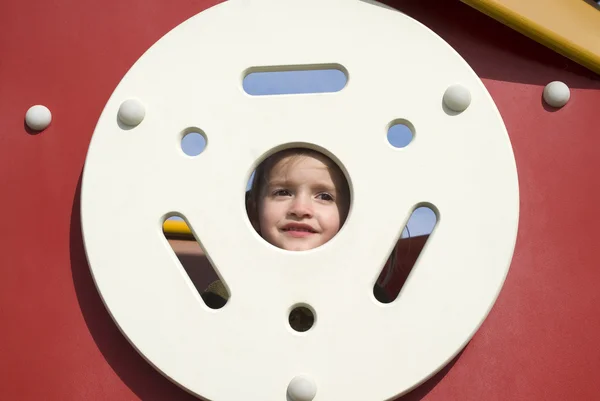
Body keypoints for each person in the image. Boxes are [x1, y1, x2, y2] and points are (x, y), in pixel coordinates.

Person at [201, 148, 392, 318]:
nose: (300, 209)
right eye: (283, 192)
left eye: (324, 196)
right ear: (253, 211)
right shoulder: (224, 295)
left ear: (351, 214)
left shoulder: (369, 300)